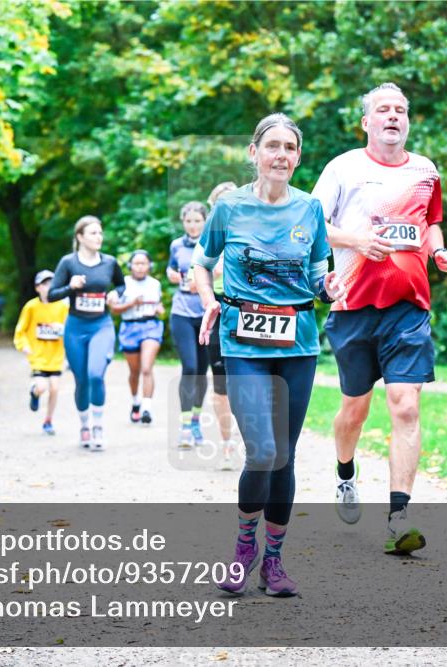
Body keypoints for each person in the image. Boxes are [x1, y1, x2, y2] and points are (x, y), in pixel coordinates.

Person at [192, 113, 344, 597]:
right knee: (261, 451)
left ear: (298, 158)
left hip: (298, 343)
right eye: (272, 146)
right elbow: (202, 263)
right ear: (254, 153)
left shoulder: (310, 210)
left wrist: (327, 285)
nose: (281, 155)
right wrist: (209, 300)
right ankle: (243, 548)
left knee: (284, 456)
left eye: (290, 148)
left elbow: (320, 271)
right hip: (244, 341)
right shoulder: (229, 209)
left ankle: (274, 562)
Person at [310, 82, 447, 555]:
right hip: (353, 305)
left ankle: (400, 517)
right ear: (367, 122)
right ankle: (345, 471)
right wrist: (355, 242)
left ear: (408, 121)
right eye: (383, 109)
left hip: (408, 307)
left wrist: (440, 252)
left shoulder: (425, 170)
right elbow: (311, 224)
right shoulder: (343, 168)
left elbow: (429, 222)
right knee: (354, 409)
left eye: (400, 110)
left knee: (406, 406)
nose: (393, 116)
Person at [48, 216, 126, 451]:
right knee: (81, 380)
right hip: (75, 327)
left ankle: (98, 426)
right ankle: (84, 425)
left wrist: (116, 294)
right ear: (80, 237)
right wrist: (70, 287)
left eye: (100, 233)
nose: (98, 237)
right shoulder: (68, 263)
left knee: (95, 374)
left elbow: (121, 284)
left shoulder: (110, 262)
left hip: (101, 325)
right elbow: (51, 294)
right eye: (93, 233)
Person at [167, 202, 211, 449]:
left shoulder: (212, 243)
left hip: (206, 313)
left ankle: (195, 420)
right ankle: (184, 426)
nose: (192, 225)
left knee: (202, 371)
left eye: (197, 221)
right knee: (190, 366)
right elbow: (172, 269)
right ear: (183, 222)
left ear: (204, 221)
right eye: (188, 221)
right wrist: (171, 274)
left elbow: (221, 270)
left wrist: (206, 278)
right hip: (182, 312)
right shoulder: (176, 245)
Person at [205, 181, 240, 470]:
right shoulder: (210, 237)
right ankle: (227, 442)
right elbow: (197, 273)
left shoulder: (259, 227)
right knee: (221, 383)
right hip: (218, 308)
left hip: (251, 309)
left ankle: (257, 439)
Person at [109, 250, 164, 425]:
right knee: (134, 372)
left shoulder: (155, 284)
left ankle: (146, 407)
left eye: (144, 263)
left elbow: (158, 303)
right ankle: (136, 402)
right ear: (130, 266)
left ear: (149, 266)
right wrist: (131, 303)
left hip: (151, 326)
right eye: (137, 263)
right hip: (129, 327)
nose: (140, 267)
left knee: (147, 368)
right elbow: (114, 310)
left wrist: (159, 309)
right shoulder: (123, 284)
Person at [13, 270, 69, 436]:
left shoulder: (63, 307)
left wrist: (63, 332)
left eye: (52, 283)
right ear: (37, 288)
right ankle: (34, 393)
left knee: (55, 388)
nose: (49, 287)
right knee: (42, 386)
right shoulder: (31, 307)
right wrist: (23, 345)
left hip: (56, 356)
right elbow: (20, 330)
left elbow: (70, 330)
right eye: (44, 284)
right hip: (37, 356)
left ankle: (48, 420)